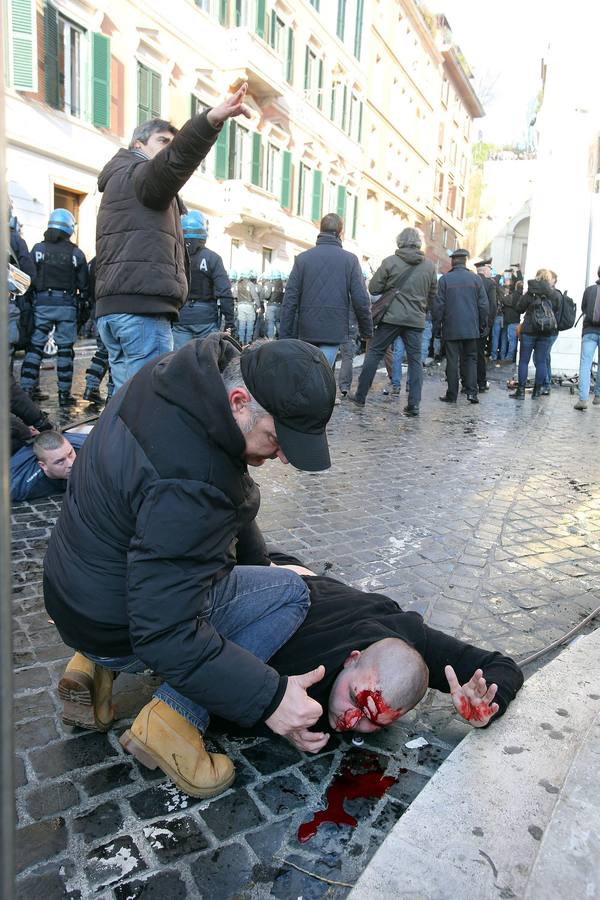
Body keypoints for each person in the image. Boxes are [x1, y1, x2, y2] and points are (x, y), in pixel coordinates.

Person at [44, 335, 337, 799]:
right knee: (290, 594)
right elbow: (164, 631)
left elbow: (226, 491)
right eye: (278, 440)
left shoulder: (177, 379)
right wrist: (270, 697)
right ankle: (171, 723)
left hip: (74, 595)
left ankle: (92, 667)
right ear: (239, 403)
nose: (282, 457)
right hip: (119, 625)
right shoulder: (191, 482)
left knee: (228, 576)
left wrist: (256, 566)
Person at [219, 557, 523, 739]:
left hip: (323, 588)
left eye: (371, 721)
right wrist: (276, 715)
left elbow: (504, 668)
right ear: (352, 659)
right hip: (270, 575)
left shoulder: (413, 645)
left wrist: (487, 703)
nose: (349, 720)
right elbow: (207, 668)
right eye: (354, 697)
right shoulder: (298, 657)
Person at [94, 84, 251, 392]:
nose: (168, 148)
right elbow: (175, 161)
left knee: (126, 399)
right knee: (149, 400)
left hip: (120, 310)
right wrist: (210, 121)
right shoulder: (138, 174)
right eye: (162, 141)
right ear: (139, 143)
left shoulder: (120, 180)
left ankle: (117, 441)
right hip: (141, 312)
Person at [350, 227, 436, 416]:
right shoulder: (429, 266)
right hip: (415, 320)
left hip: (390, 318)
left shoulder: (390, 262)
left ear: (400, 242)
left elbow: (373, 288)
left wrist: (391, 286)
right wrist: (420, 308)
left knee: (374, 353)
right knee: (414, 361)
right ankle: (414, 404)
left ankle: (361, 396)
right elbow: (432, 295)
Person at [280, 213, 372, 370]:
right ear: (340, 232)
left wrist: (285, 335)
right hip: (334, 328)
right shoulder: (350, 260)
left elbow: (290, 299)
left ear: (320, 229)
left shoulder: (303, 259)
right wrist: (366, 330)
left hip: (307, 328)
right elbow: (361, 299)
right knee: (322, 373)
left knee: (307, 371)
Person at [20, 209, 89, 406]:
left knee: (34, 348)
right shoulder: (76, 253)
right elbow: (84, 286)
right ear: (69, 228)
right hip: (66, 305)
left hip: (41, 304)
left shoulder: (39, 249)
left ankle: (26, 390)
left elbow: (29, 279)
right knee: (65, 350)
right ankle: (64, 396)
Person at [171, 212, 234, 349]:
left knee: (179, 360)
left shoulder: (174, 257)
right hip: (206, 319)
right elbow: (224, 292)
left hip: (181, 318)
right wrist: (229, 321)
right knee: (206, 360)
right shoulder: (213, 258)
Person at [434, 249, 488, 405]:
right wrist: (482, 324)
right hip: (471, 327)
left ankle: (452, 394)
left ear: (453, 262)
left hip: (451, 327)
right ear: (465, 262)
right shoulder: (476, 279)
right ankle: (472, 393)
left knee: (452, 361)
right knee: (471, 360)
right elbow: (483, 305)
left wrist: (437, 328)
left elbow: (439, 306)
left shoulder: (445, 280)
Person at [510, 272, 561, 400]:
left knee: (523, 361)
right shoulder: (554, 294)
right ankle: (537, 391)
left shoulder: (530, 292)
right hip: (545, 332)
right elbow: (557, 309)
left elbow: (519, 308)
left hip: (529, 330)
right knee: (541, 361)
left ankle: (520, 391)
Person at [11, 425, 87, 503]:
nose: (71, 464)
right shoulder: (19, 486)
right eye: (60, 461)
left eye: (70, 454)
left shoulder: (88, 450)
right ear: (43, 466)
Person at [83, 257, 114, 405]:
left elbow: (86, 286)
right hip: (118, 307)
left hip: (99, 309)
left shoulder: (95, 261)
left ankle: (91, 387)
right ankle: (112, 395)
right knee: (116, 353)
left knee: (103, 351)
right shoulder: (124, 255)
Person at [574, 265, 600, 411]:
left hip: (589, 330)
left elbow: (584, 308)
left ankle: (583, 399)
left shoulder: (590, 290)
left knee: (585, 364)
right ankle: (598, 396)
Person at [473, 260, 497, 391]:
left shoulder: (471, 281)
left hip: (469, 323)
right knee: (479, 354)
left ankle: (468, 382)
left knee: (468, 354)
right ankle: (481, 382)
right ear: (485, 270)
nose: (490, 271)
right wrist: (489, 325)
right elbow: (493, 306)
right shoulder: (490, 283)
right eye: (490, 269)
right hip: (483, 324)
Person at [236, 270, 261, 344]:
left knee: (242, 323)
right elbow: (255, 296)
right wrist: (258, 305)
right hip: (249, 305)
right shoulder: (250, 284)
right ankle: (248, 341)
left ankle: (241, 341)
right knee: (250, 323)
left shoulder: (237, 284)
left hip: (240, 305)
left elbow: (234, 295)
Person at [501, 279, 522, 362]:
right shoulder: (523, 296)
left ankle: (509, 357)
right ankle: (514, 357)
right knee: (517, 341)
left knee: (512, 340)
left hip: (512, 321)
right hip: (520, 321)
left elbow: (505, 301)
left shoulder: (512, 296)